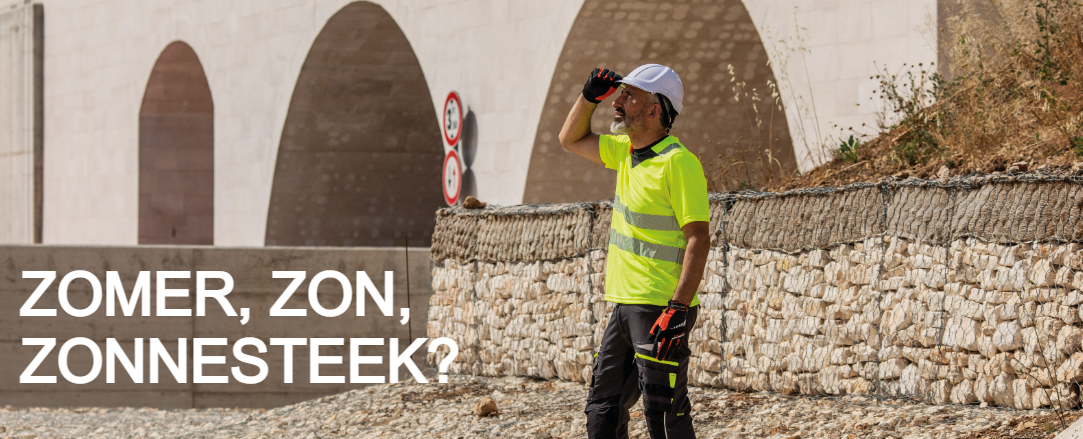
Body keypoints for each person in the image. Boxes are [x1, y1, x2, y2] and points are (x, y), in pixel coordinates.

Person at [558, 64, 710, 439]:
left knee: (664, 415)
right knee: (602, 411)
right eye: (618, 94)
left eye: (629, 96)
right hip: (625, 306)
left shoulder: (678, 163)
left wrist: (677, 308)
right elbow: (570, 139)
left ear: (655, 109)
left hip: (659, 308)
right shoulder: (625, 152)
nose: (618, 102)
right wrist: (587, 97)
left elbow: (698, 239)